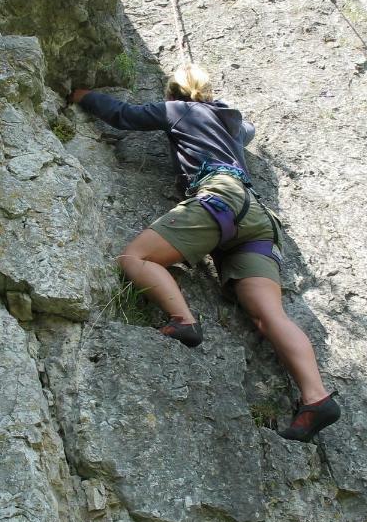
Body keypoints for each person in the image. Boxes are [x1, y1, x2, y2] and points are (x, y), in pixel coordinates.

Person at [70, 65, 340, 442]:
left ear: (172, 93)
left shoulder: (179, 109)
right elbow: (248, 131)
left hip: (220, 200)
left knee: (136, 258)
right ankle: (316, 397)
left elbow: (124, 115)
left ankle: (183, 320)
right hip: (257, 218)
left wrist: (81, 96)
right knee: (269, 317)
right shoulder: (230, 123)